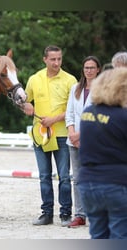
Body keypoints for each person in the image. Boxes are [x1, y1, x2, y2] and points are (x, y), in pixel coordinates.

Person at [23, 45, 77, 227]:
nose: (56, 63)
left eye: (59, 59)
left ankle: (65, 214)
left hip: (62, 135)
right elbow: (25, 102)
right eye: (53, 59)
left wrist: (54, 119)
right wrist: (25, 106)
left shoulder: (70, 80)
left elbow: (73, 109)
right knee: (44, 176)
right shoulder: (34, 79)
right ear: (44, 59)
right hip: (40, 135)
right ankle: (46, 214)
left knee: (64, 176)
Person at [78, 67, 127, 239]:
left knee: (98, 236)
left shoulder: (88, 114)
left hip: (88, 183)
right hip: (116, 183)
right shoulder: (123, 116)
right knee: (120, 235)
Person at [65, 56, 101, 228]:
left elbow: (99, 117)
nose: (89, 71)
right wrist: (72, 133)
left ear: (98, 70)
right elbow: (69, 113)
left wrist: (80, 134)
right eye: (86, 67)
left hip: (93, 141)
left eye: (92, 68)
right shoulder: (75, 89)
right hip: (74, 142)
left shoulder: (103, 90)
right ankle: (80, 214)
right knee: (77, 179)